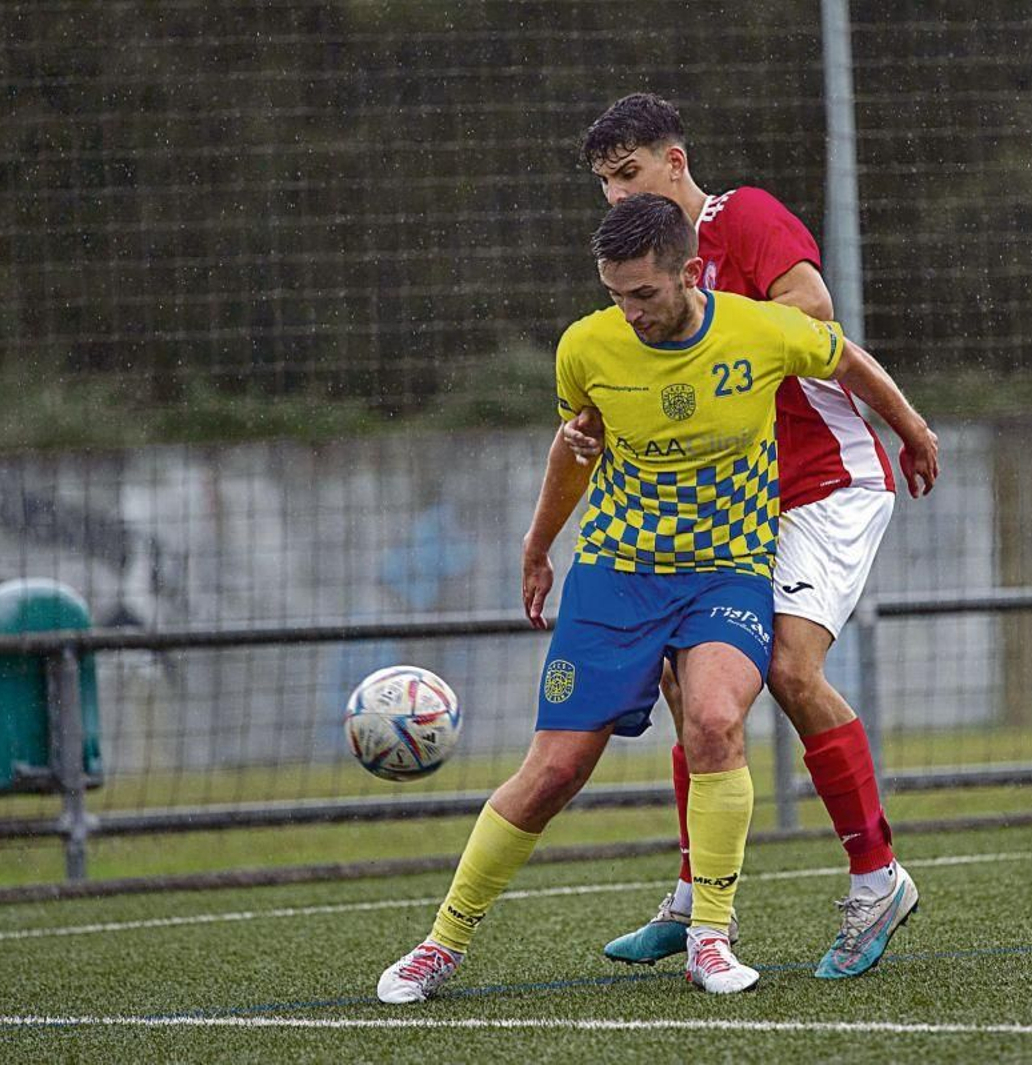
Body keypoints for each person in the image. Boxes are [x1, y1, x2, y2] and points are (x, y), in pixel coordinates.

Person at [377, 193, 938, 1003]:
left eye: (643, 293)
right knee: (556, 768)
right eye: (616, 295)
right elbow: (577, 443)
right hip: (616, 573)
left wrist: (912, 429)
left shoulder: (760, 329)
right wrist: (537, 546)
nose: (630, 312)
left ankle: (709, 935)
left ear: (689, 273)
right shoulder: (586, 346)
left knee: (714, 719)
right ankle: (441, 942)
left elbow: (845, 357)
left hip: (725, 573)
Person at [568, 92, 924, 980]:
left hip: (826, 483)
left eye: (629, 173)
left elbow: (813, 311)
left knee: (793, 669)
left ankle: (878, 877)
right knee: (693, 687)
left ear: (676, 162)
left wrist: (909, 425)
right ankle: (693, 892)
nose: (617, 195)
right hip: (744, 504)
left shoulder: (745, 218)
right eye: (606, 183)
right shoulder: (647, 278)